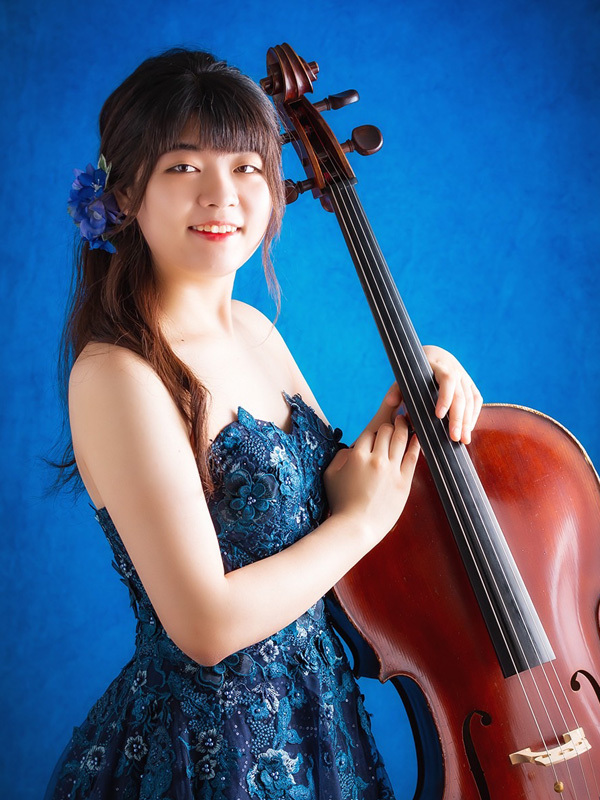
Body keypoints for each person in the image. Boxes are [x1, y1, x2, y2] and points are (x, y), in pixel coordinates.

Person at [45, 48, 482, 799]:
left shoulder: (253, 328)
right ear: (124, 195)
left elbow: (332, 497)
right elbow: (204, 626)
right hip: (207, 755)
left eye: (246, 167)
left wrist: (419, 385)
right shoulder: (117, 374)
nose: (222, 195)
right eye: (184, 167)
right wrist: (360, 524)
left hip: (322, 730)